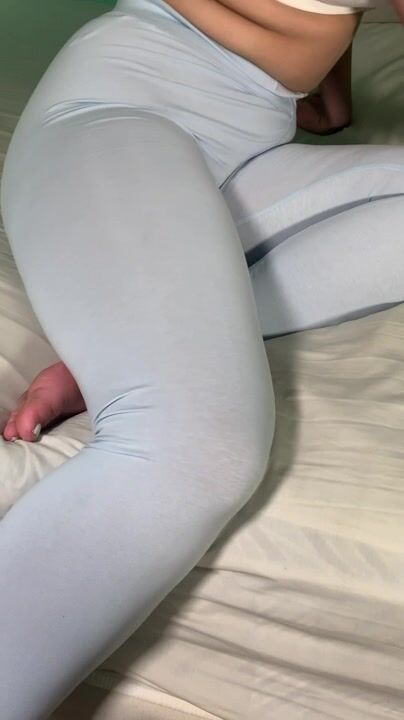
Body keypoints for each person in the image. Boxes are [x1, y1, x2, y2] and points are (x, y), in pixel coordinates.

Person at [0, 1, 403, 718]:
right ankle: (131, 330)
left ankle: (127, 332)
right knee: (196, 451)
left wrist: (326, 95)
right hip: (120, 111)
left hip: (246, 144)